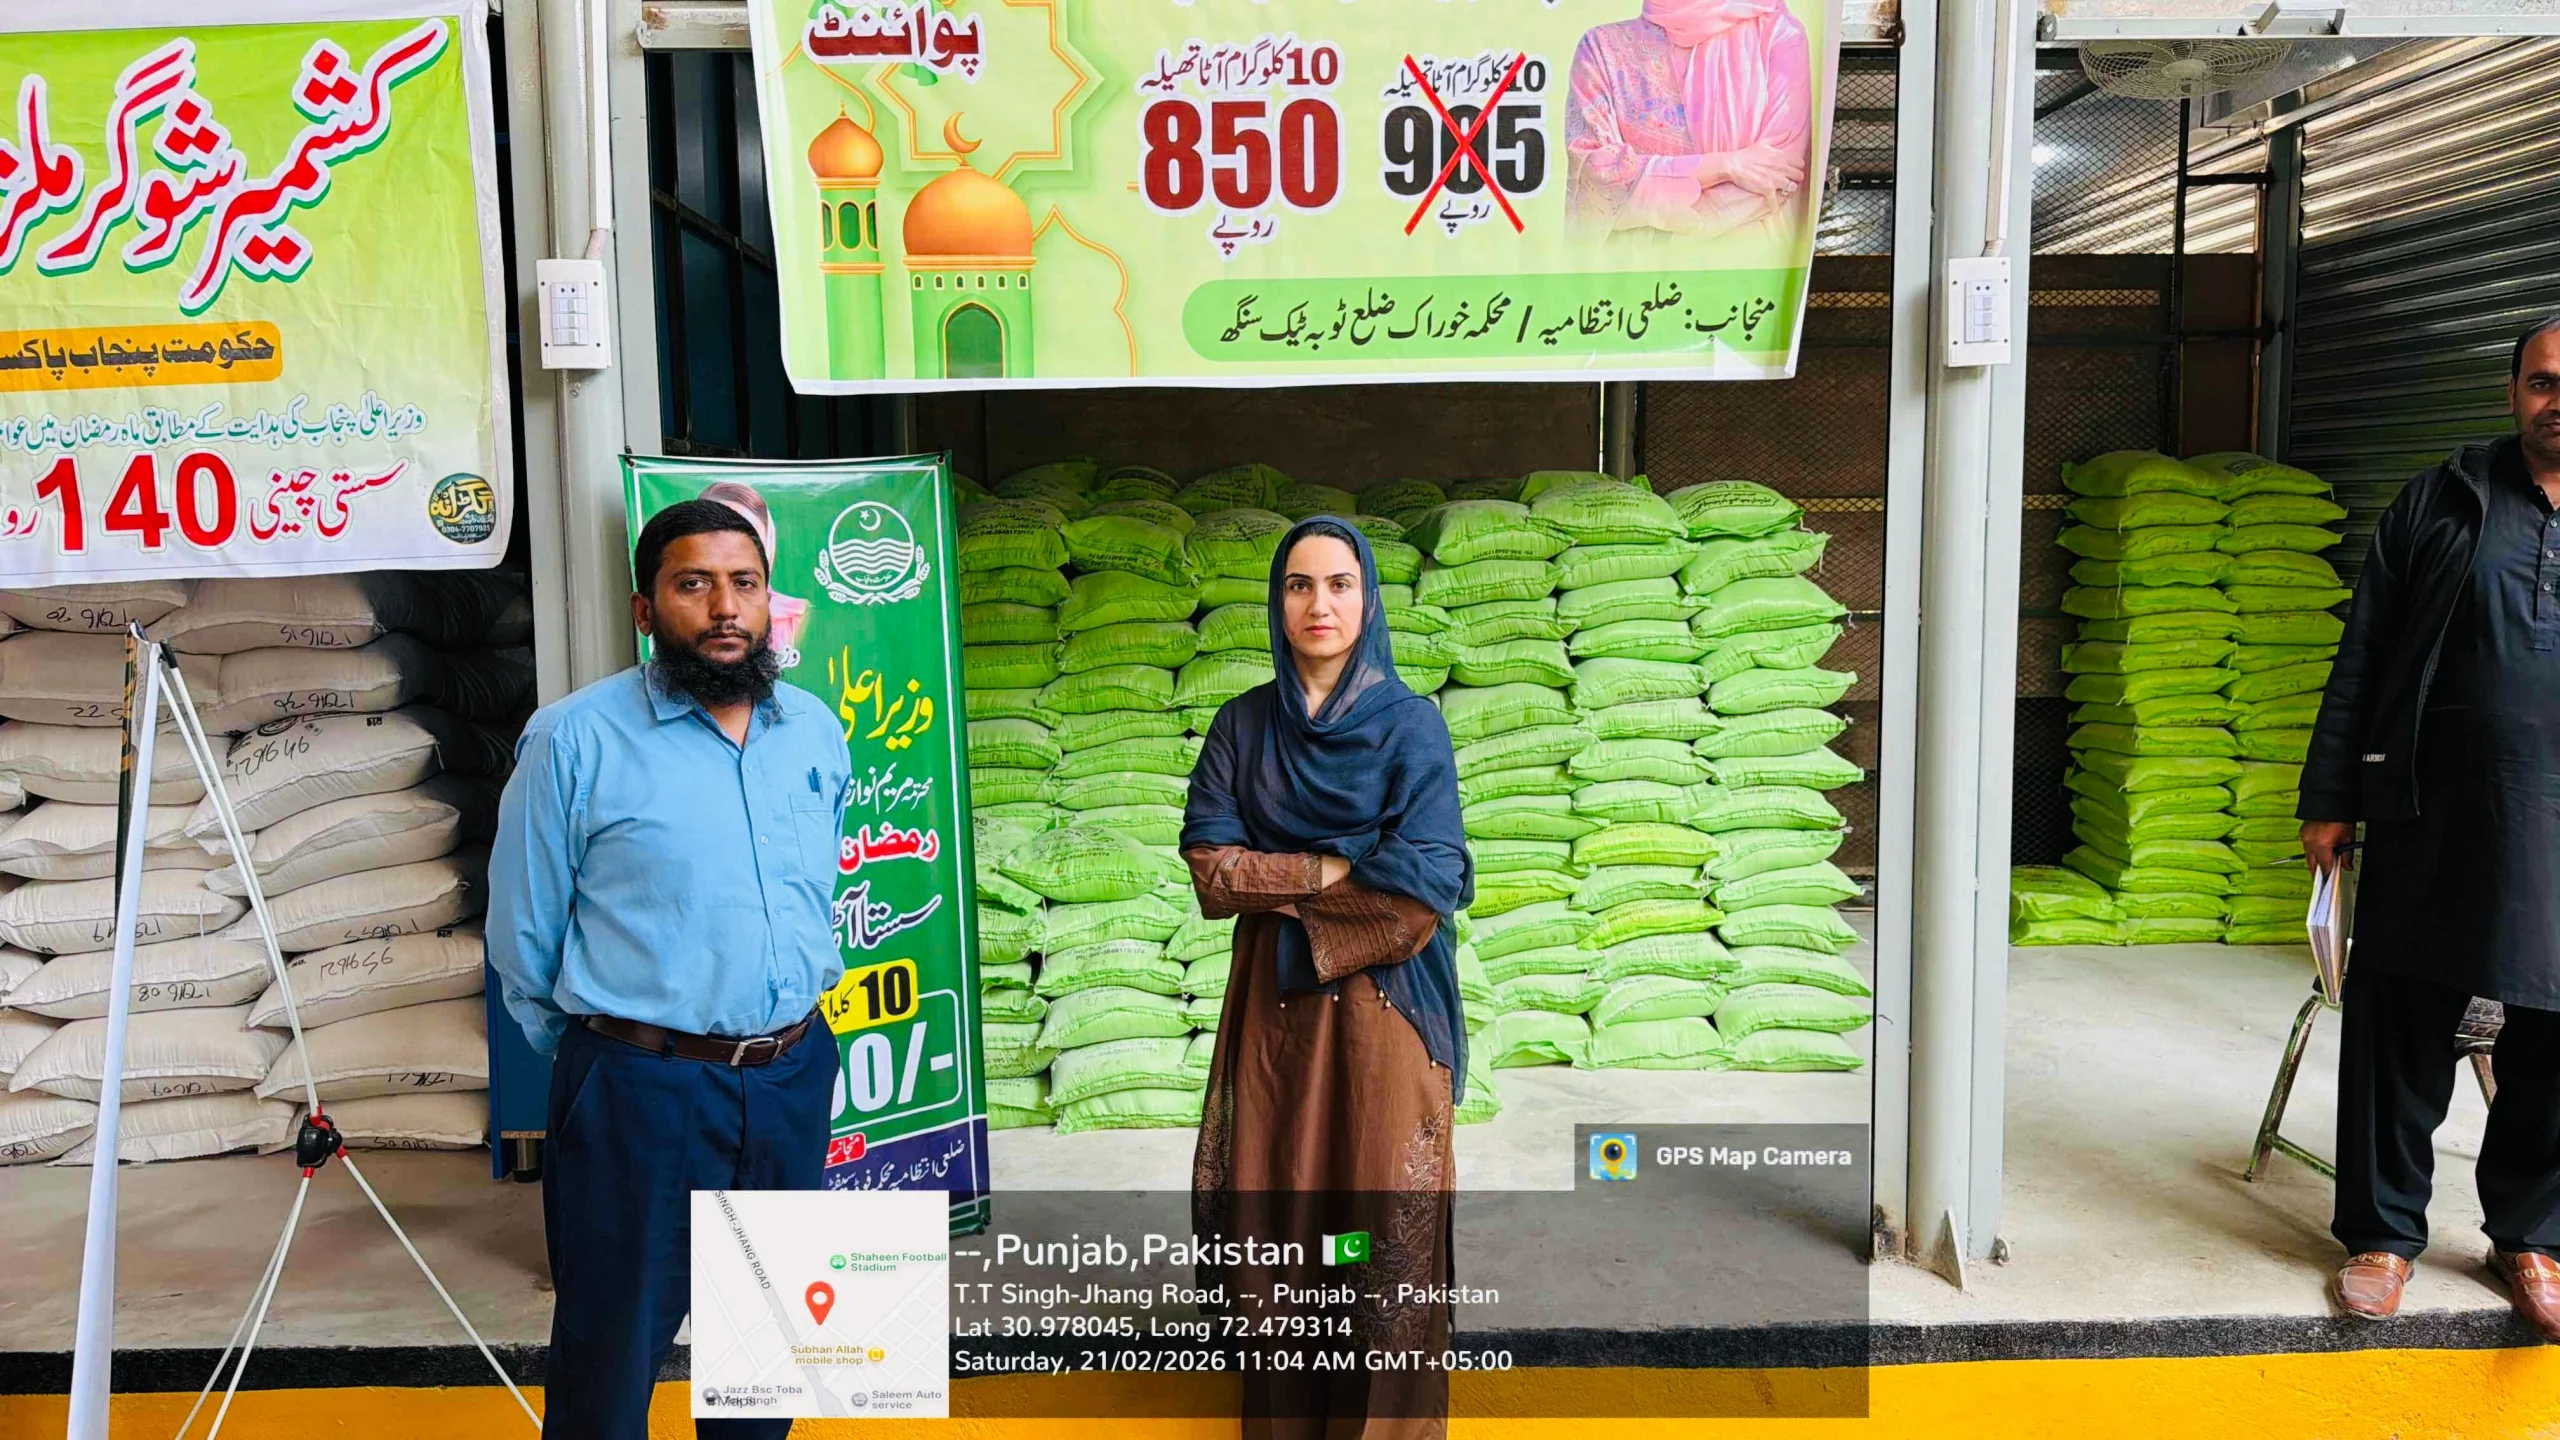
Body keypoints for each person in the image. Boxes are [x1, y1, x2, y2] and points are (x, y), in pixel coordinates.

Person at [489, 499, 851, 1437]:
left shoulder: (814, 731)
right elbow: (523, 938)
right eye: (694, 584)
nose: (725, 607)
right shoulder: (573, 740)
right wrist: (616, 1052)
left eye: (745, 584)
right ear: (646, 610)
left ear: (769, 601)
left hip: (790, 1076)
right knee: (610, 1361)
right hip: (638, 1089)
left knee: (767, 1365)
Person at [1180, 517, 1474, 1438]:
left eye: (1340, 584)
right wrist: (1334, 866)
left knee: (1376, 1239)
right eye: (1299, 585)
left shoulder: (1411, 727)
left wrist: (1278, 884)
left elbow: (1422, 890)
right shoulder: (1242, 726)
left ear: (1368, 598)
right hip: (1273, 1021)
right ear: (1278, 602)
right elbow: (1211, 871)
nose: (1320, 604)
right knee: (1281, 1234)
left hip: (1386, 1018)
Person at [2301, 317, 2560, 1340]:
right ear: (2513, 392)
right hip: (2435, 807)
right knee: (2402, 1016)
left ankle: (2531, 1236)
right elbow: (2364, 650)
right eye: (2542, 382)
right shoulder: (2443, 499)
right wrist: (2330, 795)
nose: (2558, 401)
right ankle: (2381, 1235)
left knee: (2554, 1030)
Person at [1565, 0, 1812, 236]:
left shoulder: (1778, 34)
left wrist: (1667, 237)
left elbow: (1780, 174)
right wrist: (1726, 166)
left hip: (1747, 257)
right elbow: (1594, 180)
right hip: (1634, 264)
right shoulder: (1602, 48)